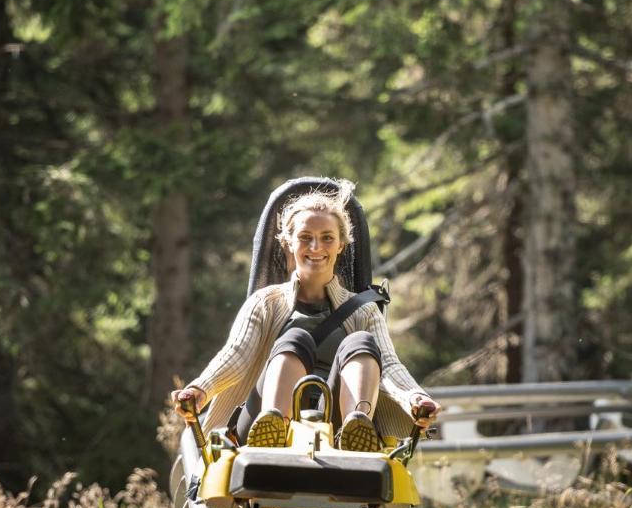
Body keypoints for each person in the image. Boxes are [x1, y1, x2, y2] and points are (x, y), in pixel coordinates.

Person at [170, 180, 440, 451]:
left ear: (341, 245)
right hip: (258, 421)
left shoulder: (364, 310)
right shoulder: (265, 302)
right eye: (305, 237)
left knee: (362, 343)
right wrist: (200, 389)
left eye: (327, 238)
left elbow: (389, 365)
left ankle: (357, 429)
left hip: (332, 424)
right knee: (295, 338)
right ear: (288, 242)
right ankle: (274, 426)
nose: (315, 247)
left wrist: (414, 397)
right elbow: (237, 354)